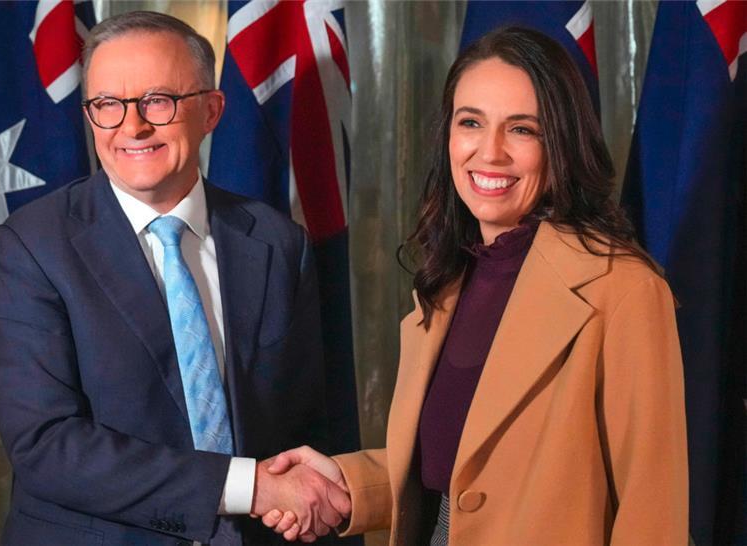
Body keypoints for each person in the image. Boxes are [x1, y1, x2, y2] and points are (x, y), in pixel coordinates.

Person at [263, 26, 688, 545]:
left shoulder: (622, 289)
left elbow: (652, 510)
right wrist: (341, 483)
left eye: (522, 130)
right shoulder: (448, 279)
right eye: (471, 123)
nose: (490, 153)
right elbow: (454, 465)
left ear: (562, 144)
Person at [0, 11, 349, 546]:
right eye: (107, 104)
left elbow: (305, 421)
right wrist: (252, 488)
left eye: (158, 100)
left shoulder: (278, 242)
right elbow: (47, 444)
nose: (132, 127)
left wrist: (299, 498)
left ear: (212, 110)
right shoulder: (31, 247)